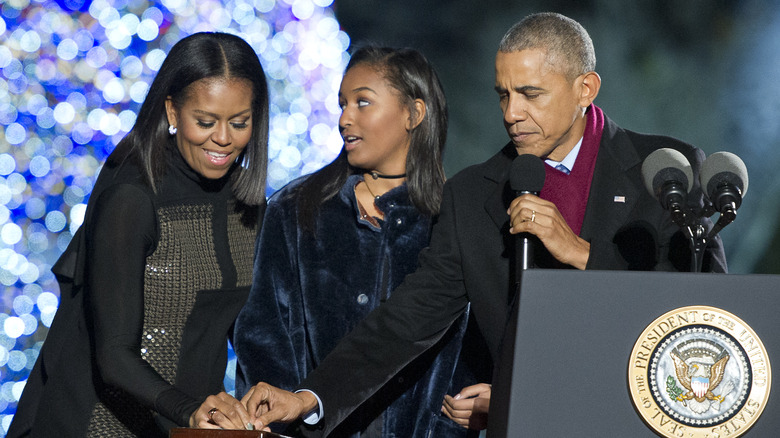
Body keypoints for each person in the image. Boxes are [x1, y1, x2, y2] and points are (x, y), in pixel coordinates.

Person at [241, 12, 728, 434]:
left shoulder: (666, 170)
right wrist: (310, 397)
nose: (512, 114)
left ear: (586, 88)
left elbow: (706, 316)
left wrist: (581, 252)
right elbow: (409, 317)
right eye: (503, 95)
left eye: (531, 94)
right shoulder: (474, 194)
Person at [7, 32, 269, 437]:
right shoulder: (133, 195)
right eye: (205, 122)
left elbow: (246, 330)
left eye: (239, 123)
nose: (223, 138)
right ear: (172, 110)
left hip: (190, 427)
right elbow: (113, 355)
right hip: (99, 423)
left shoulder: (248, 200)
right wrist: (189, 411)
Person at [225, 46, 482, 437]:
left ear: (414, 113)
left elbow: (472, 356)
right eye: (342, 104)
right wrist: (290, 418)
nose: (345, 118)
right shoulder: (295, 210)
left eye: (363, 102)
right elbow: (262, 333)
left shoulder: (455, 219)